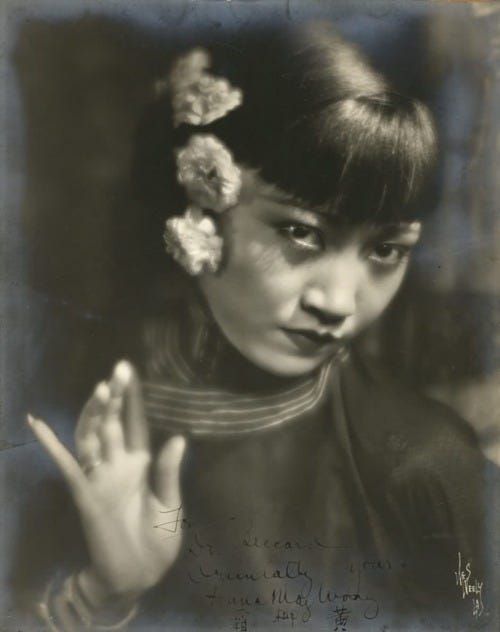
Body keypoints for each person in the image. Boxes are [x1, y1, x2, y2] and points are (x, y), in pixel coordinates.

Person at [23, 21, 495, 631]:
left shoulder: (424, 466)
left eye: (385, 250)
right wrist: (107, 596)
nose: (339, 301)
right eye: (300, 232)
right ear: (194, 207)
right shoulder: (69, 405)